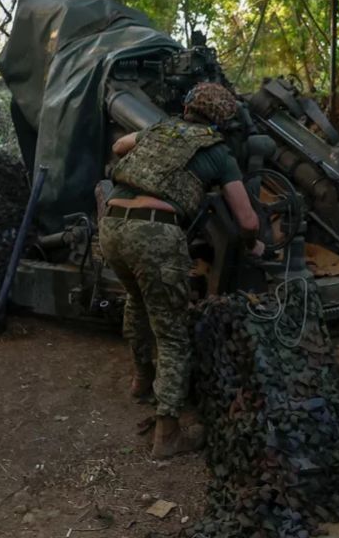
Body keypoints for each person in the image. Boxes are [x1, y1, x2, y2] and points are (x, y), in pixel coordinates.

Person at [99, 82, 264, 458]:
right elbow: (247, 217)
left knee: (137, 302)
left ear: (188, 106)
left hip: (112, 226)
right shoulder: (218, 152)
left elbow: (118, 147)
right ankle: (168, 433)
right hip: (153, 233)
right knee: (172, 334)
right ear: (223, 119)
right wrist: (253, 241)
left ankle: (141, 380)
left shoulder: (159, 129)